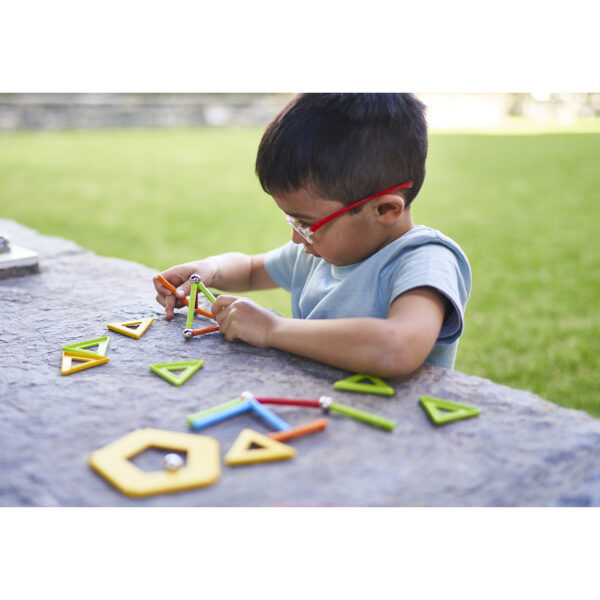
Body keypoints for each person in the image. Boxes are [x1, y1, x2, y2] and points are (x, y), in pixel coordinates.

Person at [153, 93, 471, 378]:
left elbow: (398, 347)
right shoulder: (319, 252)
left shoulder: (426, 261)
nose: (296, 238)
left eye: (306, 222)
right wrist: (209, 270)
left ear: (385, 210)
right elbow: (251, 270)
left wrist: (272, 329)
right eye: (290, 219)